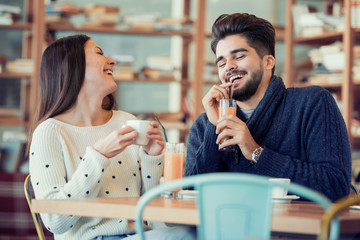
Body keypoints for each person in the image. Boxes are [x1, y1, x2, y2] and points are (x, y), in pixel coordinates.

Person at [27, 34, 195, 240]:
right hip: (92, 237)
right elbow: (55, 221)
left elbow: (152, 211)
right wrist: (98, 156)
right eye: (99, 53)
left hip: (138, 233)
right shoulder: (49, 132)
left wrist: (152, 158)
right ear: (72, 66)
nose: (112, 61)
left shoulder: (126, 121)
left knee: (190, 233)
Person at [184, 13, 352, 202]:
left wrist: (256, 152)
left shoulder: (312, 103)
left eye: (238, 56)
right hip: (221, 229)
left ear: (268, 62)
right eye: (221, 63)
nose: (229, 67)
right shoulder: (204, 124)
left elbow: (336, 187)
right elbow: (188, 198)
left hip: (293, 229)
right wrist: (214, 128)